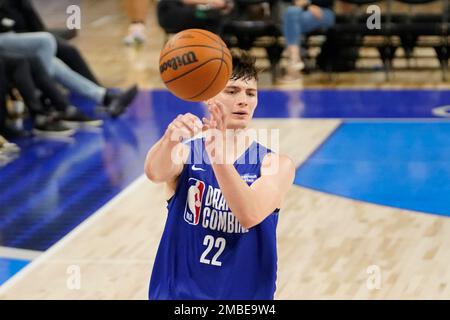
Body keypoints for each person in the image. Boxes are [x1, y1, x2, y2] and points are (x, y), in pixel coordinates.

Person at [144, 52, 295, 299]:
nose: (243, 101)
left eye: (250, 93)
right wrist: (169, 139)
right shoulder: (186, 153)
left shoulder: (276, 164)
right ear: (208, 96)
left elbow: (249, 214)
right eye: (232, 91)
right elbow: (154, 172)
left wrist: (218, 157)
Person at [280, 0, 335, 81]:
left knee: (291, 20)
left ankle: (294, 63)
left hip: (324, 11)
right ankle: (295, 59)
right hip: (300, 11)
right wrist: (307, 6)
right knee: (291, 12)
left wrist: (309, 4)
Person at [157, 0, 234, 36]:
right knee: (213, 16)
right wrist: (210, 2)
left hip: (174, 12)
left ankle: (208, 47)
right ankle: (213, 49)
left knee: (212, 15)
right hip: (170, 12)